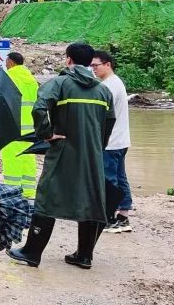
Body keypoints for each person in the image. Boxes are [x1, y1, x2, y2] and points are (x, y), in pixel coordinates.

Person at [8, 43, 114, 269]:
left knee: (47, 197)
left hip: (63, 150)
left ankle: (32, 252)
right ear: (89, 62)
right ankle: (84, 256)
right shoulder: (103, 90)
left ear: (68, 60)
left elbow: (38, 109)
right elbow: (110, 121)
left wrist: (46, 135)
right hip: (92, 155)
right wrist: (98, 145)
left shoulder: (60, 83)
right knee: (92, 199)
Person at [93, 49, 133, 232]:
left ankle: (110, 218)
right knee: (120, 177)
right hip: (121, 140)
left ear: (107, 64)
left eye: (96, 65)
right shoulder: (116, 82)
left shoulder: (108, 86)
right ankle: (123, 215)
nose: (93, 69)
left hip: (111, 142)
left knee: (109, 180)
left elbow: (100, 116)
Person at [1, 52, 40, 199]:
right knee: (28, 159)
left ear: (11, 62)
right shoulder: (32, 80)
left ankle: (12, 192)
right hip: (30, 129)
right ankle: (29, 192)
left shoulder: (8, 78)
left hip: (13, 127)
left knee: (12, 160)